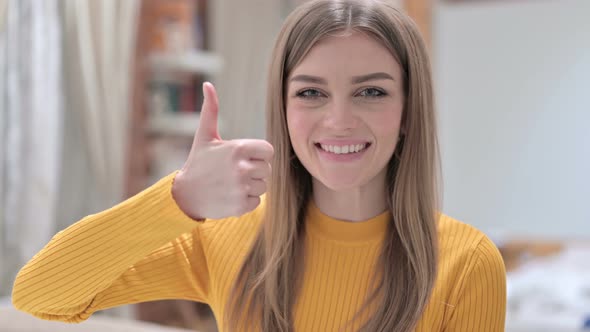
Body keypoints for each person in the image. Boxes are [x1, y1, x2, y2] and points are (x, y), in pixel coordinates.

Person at [12, 0, 506, 331]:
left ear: (408, 113)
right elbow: (39, 293)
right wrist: (177, 198)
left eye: (371, 92)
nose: (338, 121)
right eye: (311, 92)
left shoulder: (466, 264)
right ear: (283, 109)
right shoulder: (229, 237)